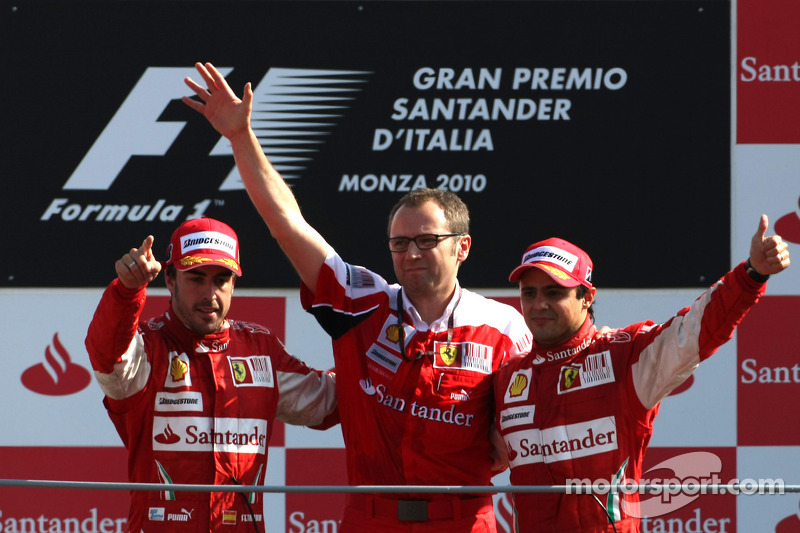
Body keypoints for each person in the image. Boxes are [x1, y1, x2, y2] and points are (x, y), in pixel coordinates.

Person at [183, 62, 533, 533]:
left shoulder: (504, 325)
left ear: (462, 247)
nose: (411, 253)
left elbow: (526, 423)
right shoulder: (360, 302)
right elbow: (287, 224)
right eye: (399, 243)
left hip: (465, 520)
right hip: (371, 521)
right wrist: (241, 137)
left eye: (426, 241)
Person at [493, 216, 791, 532]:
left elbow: (694, 332)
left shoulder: (624, 357)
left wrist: (751, 275)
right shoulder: (509, 377)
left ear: (587, 297)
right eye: (530, 293)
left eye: (554, 293)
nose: (539, 304)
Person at [85, 217, 338, 532]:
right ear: (171, 280)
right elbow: (107, 357)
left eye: (221, 280)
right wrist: (126, 293)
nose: (210, 294)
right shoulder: (149, 349)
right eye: (196, 278)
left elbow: (328, 402)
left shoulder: (260, 348)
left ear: (233, 284)